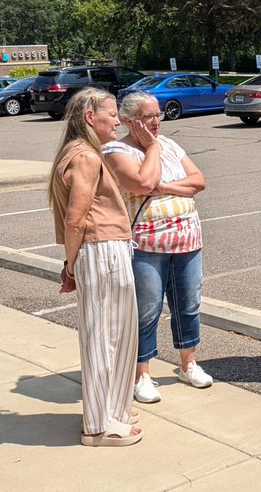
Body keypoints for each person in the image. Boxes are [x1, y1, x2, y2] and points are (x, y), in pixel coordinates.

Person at [103, 91, 212, 404]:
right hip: (146, 243)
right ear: (128, 121)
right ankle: (141, 374)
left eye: (158, 114)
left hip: (187, 238)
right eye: (147, 117)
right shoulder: (116, 149)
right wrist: (150, 149)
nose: (155, 121)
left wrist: (163, 186)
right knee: (147, 309)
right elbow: (140, 184)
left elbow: (199, 181)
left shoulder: (170, 145)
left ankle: (188, 363)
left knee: (188, 303)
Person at [48, 87, 141, 447]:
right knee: (105, 338)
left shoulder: (79, 153)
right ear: (90, 117)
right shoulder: (85, 156)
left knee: (114, 335)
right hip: (102, 250)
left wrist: (72, 264)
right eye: (112, 113)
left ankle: (113, 410)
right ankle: (100, 425)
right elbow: (76, 219)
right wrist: (72, 267)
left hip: (100, 250)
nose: (118, 120)